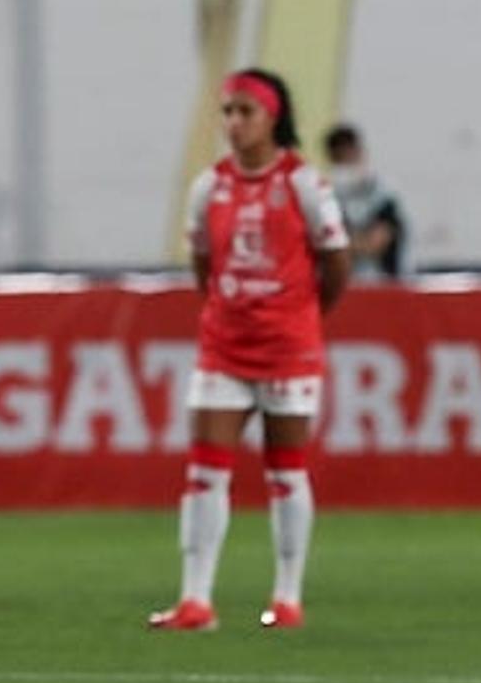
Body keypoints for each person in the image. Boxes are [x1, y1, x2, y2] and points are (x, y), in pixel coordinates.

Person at [149, 68, 351, 632]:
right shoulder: (207, 187)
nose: (234, 124)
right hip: (225, 347)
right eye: (228, 112)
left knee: (285, 470)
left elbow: (337, 263)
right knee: (205, 470)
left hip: (288, 348)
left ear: (272, 118)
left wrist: (303, 317)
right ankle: (196, 600)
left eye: (246, 112)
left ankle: (287, 596)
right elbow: (204, 267)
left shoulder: (303, 184)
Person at [323, 123, 408, 279]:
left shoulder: (383, 194)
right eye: (339, 158)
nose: (346, 163)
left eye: (349, 154)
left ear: (359, 152)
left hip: (383, 283)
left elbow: (376, 243)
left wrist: (349, 244)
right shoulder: (325, 196)